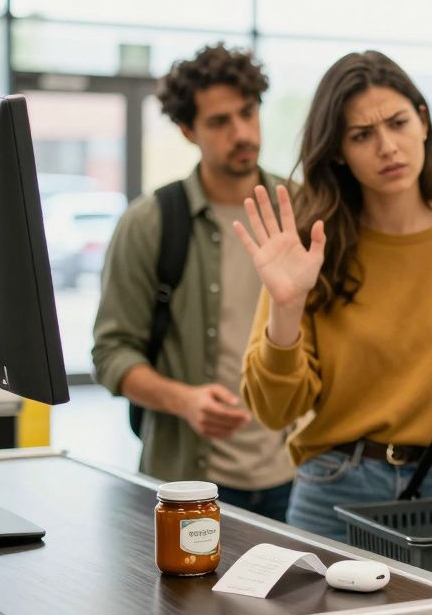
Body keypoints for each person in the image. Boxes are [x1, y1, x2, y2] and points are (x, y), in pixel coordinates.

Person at [237, 51, 432, 541]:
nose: (387, 147)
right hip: (336, 488)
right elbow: (275, 411)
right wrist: (286, 308)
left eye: (398, 123)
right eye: (361, 135)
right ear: (338, 151)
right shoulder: (311, 248)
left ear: (422, 121)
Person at [92, 43, 296, 521]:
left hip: (297, 473)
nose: (242, 132)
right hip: (189, 479)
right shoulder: (151, 222)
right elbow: (110, 353)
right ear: (188, 131)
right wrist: (184, 400)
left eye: (247, 113)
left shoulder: (302, 211)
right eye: (219, 122)